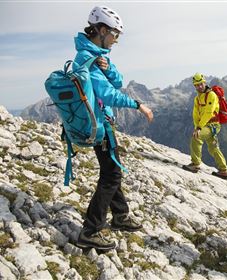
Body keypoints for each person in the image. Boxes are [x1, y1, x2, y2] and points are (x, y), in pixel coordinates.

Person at [74, 6, 153, 250]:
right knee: (111, 174)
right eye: (114, 35)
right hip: (99, 126)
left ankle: (120, 216)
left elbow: (117, 81)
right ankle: (91, 230)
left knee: (112, 169)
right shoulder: (87, 59)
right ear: (102, 30)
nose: (115, 40)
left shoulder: (97, 55)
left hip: (101, 123)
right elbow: (108, 94)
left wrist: (109, 67)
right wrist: (137, 104)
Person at [182, 73, 227, 179]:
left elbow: (209, 112)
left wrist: (199, 128)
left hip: (213, 125)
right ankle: (223, 170)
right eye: (196, 85)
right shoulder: (197, 98)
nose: (199, 86)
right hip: (205, 126)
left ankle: (195, 164)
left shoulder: (211, 95)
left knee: (196, 137)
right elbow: (195, 114)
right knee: (213, 147)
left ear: (204, 83)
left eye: (200, 84)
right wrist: (196, 126)